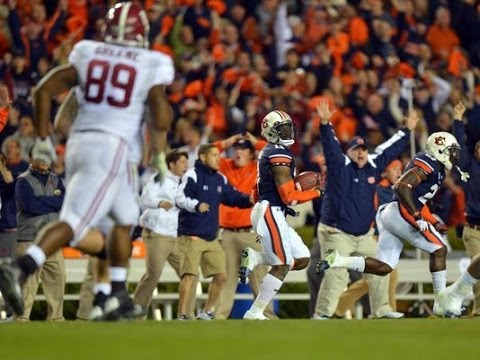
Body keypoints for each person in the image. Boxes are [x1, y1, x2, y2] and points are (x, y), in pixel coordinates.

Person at [0, 2, 174, 319]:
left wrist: (42, 140)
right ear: (141, 33)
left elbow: (43, 90)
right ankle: (23, 266)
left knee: (123, 220)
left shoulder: (89, 51)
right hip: (113, 145)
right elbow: (161, 118)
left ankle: (113, 295)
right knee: (75, 221)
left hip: (81, 142)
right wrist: (159, 150)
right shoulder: (150, 62)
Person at [317, 101, 468, 317]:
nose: (454, 155)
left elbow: (415, 195)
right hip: (400, 212)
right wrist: (416, 217)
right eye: (450, 151)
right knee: (439, 250)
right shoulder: (428, 163)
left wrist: (432, 221)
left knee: (385, 267)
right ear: (439, 150)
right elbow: (403, 188)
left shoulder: (435, 167)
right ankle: (441, 303)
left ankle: (338, 260)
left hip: (392, 214)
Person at [312, 99, 418, 320]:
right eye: (356, 150)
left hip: (364, 235)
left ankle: (382, 309)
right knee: (336, 273)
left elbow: (390, 150)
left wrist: (407, 130)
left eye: (363, 149)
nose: (361, 153)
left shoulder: (373, 165)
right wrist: (325, 124)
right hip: (336, 232)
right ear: (349, 152)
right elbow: (331, 148)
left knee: (379, 269)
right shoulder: (339, 166)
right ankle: (322, 314)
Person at [239, 109, 323, 320]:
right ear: (271, 131)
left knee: (302, 258)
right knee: (283, 265)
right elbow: (288, 197)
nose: (288, 132)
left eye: (288, 127)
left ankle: (256, 258)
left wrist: (260, 220)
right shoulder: (279, 154)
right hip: (272, 211)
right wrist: (316, 192)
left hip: (269, 212)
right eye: (282, 129)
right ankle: (255, 312)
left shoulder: (270, 150)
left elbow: (255, 190)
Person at [175, 143, 253, 320]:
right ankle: (182, 314)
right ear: (203, 157)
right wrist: (196, 205)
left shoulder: (219, 179)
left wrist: (249, 199)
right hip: (191, 236)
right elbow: (179, 198)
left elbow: (232, 196)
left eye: (219, 156)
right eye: (214, 156)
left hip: (211, 237)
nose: (219, 159)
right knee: (189, 276)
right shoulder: (192, 175)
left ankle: (207, 311)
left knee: (221, 276)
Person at [212, 133, 277, 320]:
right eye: (236, 149)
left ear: (251, 154)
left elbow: (275, 154)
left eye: (243, 149)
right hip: (227, 234)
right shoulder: (224, 166)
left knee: (260, 278)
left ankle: (268, 317)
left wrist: (257, 144)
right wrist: (226, 141)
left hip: (251, 232)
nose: (238, 152)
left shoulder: (258, 168)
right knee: (225, 278)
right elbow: (207, 153)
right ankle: (219, 318)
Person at [334, 160, 403, 318]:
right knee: (388, 275)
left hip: (384, 240)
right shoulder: (377, 190)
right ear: (385, 172)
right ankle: (389, 311)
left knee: (371, 280)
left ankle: (338, 308)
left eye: (400, 169)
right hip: (374, 238)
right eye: (395, 169)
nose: (399, 172)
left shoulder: (395, 191)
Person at [132, 150, 197, 316]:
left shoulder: (186, 182)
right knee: (153, 276)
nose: (185, 166)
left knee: (189, 274)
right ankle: (136, 313)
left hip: (176, 235)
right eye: (182, 162)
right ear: (171, 164)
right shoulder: (158, 179)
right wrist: (160, 202)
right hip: (158, 233)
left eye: (186, 162)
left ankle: (186, 315)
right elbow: (145, 198)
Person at [14, 146, 65, 321]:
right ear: (30, 160)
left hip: (52, 240)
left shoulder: (56, 179)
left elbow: (63, 203)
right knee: (28, 284)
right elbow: (31, 206)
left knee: (57, 280)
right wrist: (53, 201)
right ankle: (21, 320)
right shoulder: (22, 181)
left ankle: (56, 320)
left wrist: (42, 200)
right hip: (29, 239)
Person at [441, 100, 480, 317]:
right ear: (475, 152)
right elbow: (459, 148)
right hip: (473, 230)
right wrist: (458, 121)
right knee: (479, 269)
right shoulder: (469, 168)